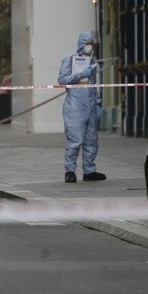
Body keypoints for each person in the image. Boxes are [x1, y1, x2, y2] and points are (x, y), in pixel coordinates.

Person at [57, 30, 106, 183]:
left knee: (91, 140)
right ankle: (70, 171)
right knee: (75, 140)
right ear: (81, 44)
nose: (89, 46)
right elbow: (62, 80)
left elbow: (93, 85)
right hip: (75, 107)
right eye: (87, 43)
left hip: (90, 106)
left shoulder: (92, 62)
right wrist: (80, 74)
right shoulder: (69, 60)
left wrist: (97, 103)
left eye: (91, 43)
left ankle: (89, 171)